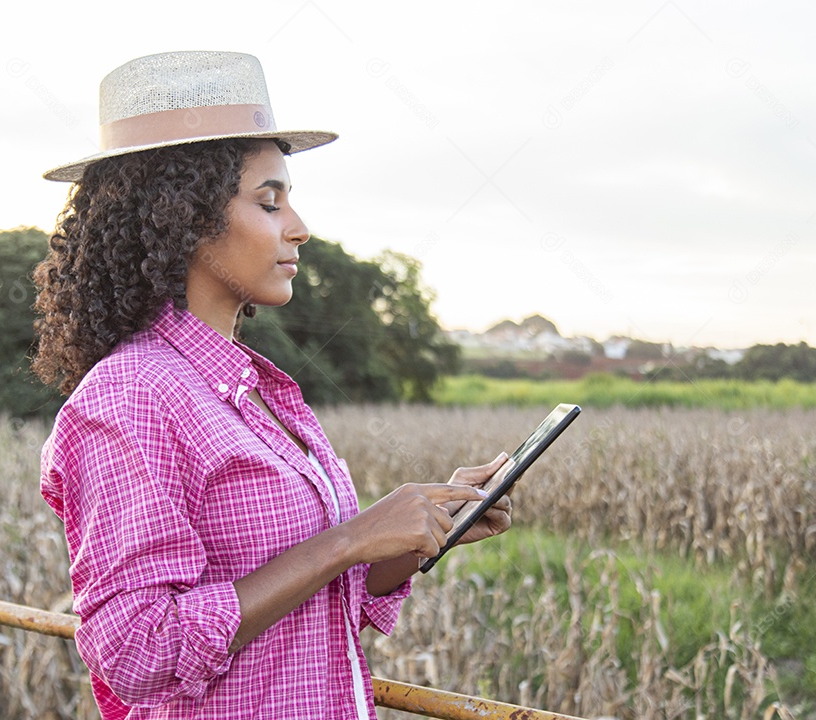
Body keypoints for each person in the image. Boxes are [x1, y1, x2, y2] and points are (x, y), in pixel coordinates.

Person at [33, 51, 512, 720]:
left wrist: (423, 531)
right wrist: (347, 538)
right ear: (184, 219)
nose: (299, 227)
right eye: (269, 200)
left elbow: (314, 600)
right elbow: (137, 651)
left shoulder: (257, 391)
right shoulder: (131, 396)